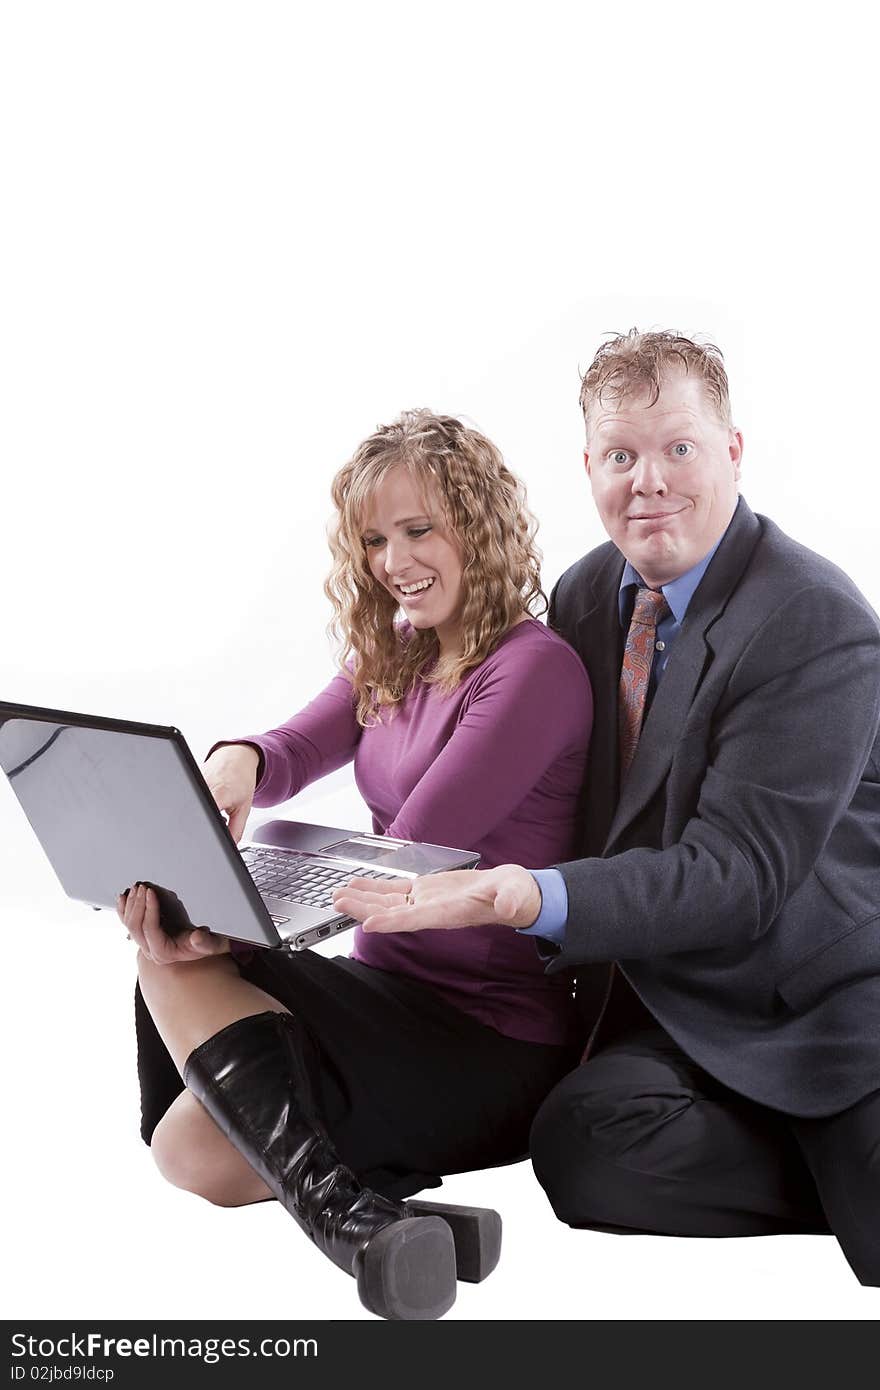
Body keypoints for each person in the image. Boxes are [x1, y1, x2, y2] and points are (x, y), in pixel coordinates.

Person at [335, 332, 880, 1288]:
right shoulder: (591, 595)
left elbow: (737, 876)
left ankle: (851, 1167)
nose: (649, 483)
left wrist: (519, 897)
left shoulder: (812, 619)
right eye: (622, 456)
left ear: (734, 452)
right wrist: (258, 752)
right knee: (582, 1151)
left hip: (818, 1001)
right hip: (671, 999)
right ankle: (827, 1170)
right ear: (589, 466)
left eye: (680, 449)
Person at [123, 408, 593, 1320]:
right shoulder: (400, 650)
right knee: (184, 1144)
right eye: (375, 538)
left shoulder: (533, 670)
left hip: (487, 1040)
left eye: (419, 530)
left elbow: (407, 854)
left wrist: (238, 911)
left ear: (479, 526)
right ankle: (379, 1214)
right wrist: (238, 761)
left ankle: (351, 1224)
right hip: (386, 1003)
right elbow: (293, 743)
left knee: (191, 1072)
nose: (392, 560)